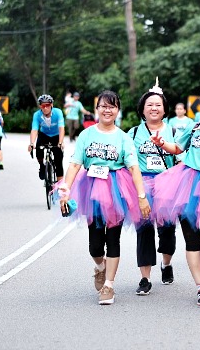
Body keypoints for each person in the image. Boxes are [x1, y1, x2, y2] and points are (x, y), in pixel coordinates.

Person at [57, 90, 151, 305]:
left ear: (117, 110)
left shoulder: (123, 137)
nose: (107, 110)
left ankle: (109, 285)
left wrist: (141, 196)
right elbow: (74, 164)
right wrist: (66, 189)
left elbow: (134, 167)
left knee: (113, 239)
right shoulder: (86, 135)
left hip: (116, 190)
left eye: (112, 106)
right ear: (97, 109)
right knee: (95, 245)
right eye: (103, 106)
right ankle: (100, 266)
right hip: (91, 190)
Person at [151, 88, 200, 306]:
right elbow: (177, 148)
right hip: (188, 184)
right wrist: (161, 143)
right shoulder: (195, 126)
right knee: (192, 240)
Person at [127, 83, 177, 295]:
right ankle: (145, 278)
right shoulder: (134, 132)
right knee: (144, 229)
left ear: (165, 109)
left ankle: (166, 263)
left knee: (167, 230)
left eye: (158, 104)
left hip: (168, 184)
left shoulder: (174, 131)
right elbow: (126, 160)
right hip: (142, 186)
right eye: (149, 104)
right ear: (142, 108)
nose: (154, 108)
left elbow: (182, 158)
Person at [28, 94, 65, 181]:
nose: (45, 108)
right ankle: (42, 166)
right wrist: (32, 143)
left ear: (51, 105)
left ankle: (59, 187)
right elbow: (34, 129)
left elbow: (61, 128)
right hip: (44, 135)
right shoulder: (37, 115)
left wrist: (60, 142)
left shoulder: (58, 112)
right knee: (38, 150)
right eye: (42, 105)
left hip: (56, 136)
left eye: (47, 105)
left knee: (58, 161)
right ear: (40, 106)